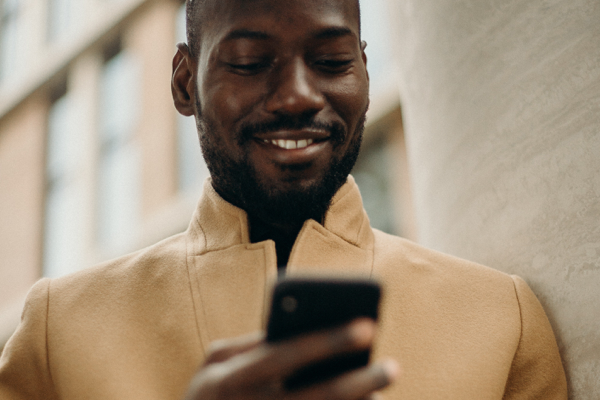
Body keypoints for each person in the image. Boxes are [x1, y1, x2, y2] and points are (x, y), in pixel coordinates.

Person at [0, 0, 567, 399]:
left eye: (331, 62)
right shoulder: (60, 332)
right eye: (249, 62)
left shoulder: (502, 320)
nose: (298, 95)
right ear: (184, 82)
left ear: (366, 73)